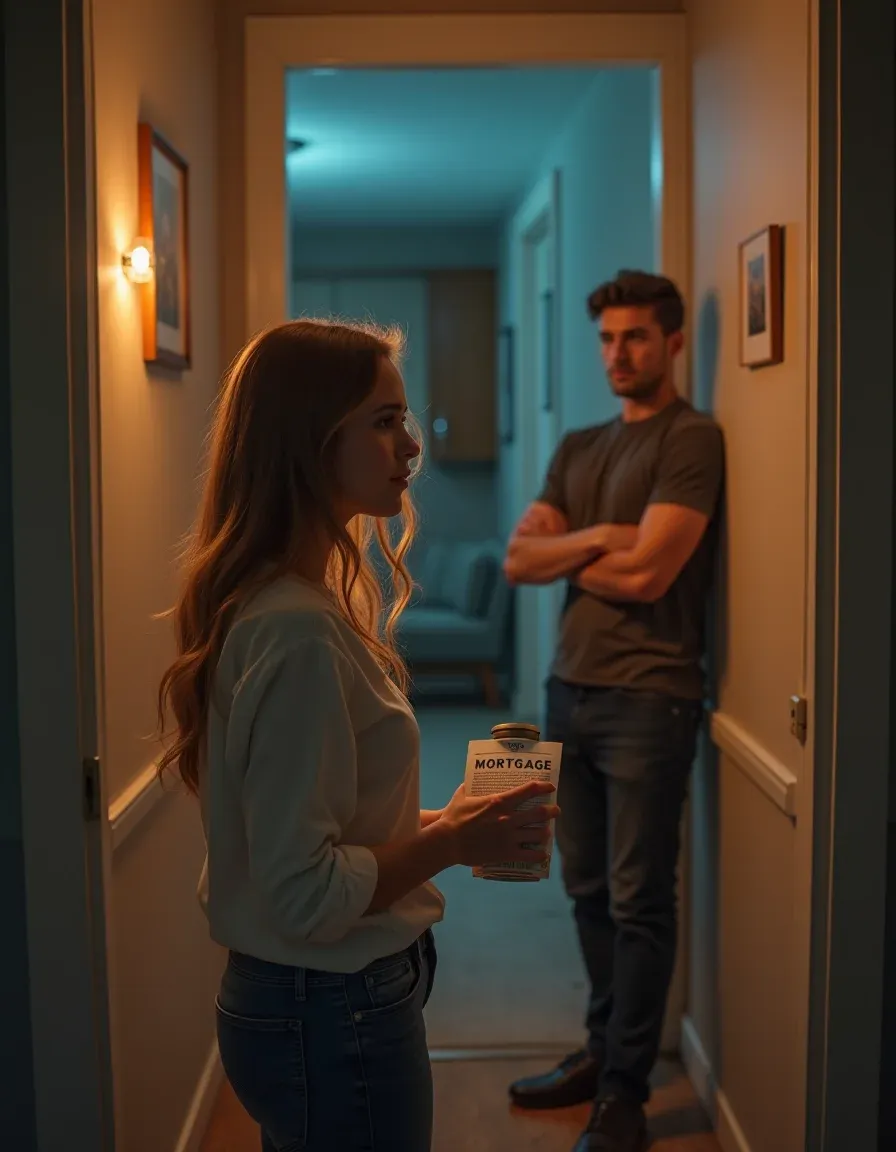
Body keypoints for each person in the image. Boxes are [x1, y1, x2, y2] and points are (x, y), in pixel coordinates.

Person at [155, 319, 559, 1152]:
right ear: (309, 440)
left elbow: (319, 835)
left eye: (403, 418)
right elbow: (308, 894)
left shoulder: (283, 602)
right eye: (383, 421)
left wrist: (449, 821)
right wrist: (451, 842)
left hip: (310, 1005)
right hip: (331, 1009)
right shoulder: (297, 631)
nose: (410, 445)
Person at [503, 271, 724, 1152]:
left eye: (634, 337)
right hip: (569, 689)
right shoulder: (581, 445)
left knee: (638, 899)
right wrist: (600, 535)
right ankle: (601, 1053)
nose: (616, 355)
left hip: (650, 697)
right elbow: (519, 562)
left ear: (673, 342)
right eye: (606, 339)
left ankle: (626, 1093)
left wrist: (569, 550)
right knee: (585, 888)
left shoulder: (691, 439)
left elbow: (651, 575)